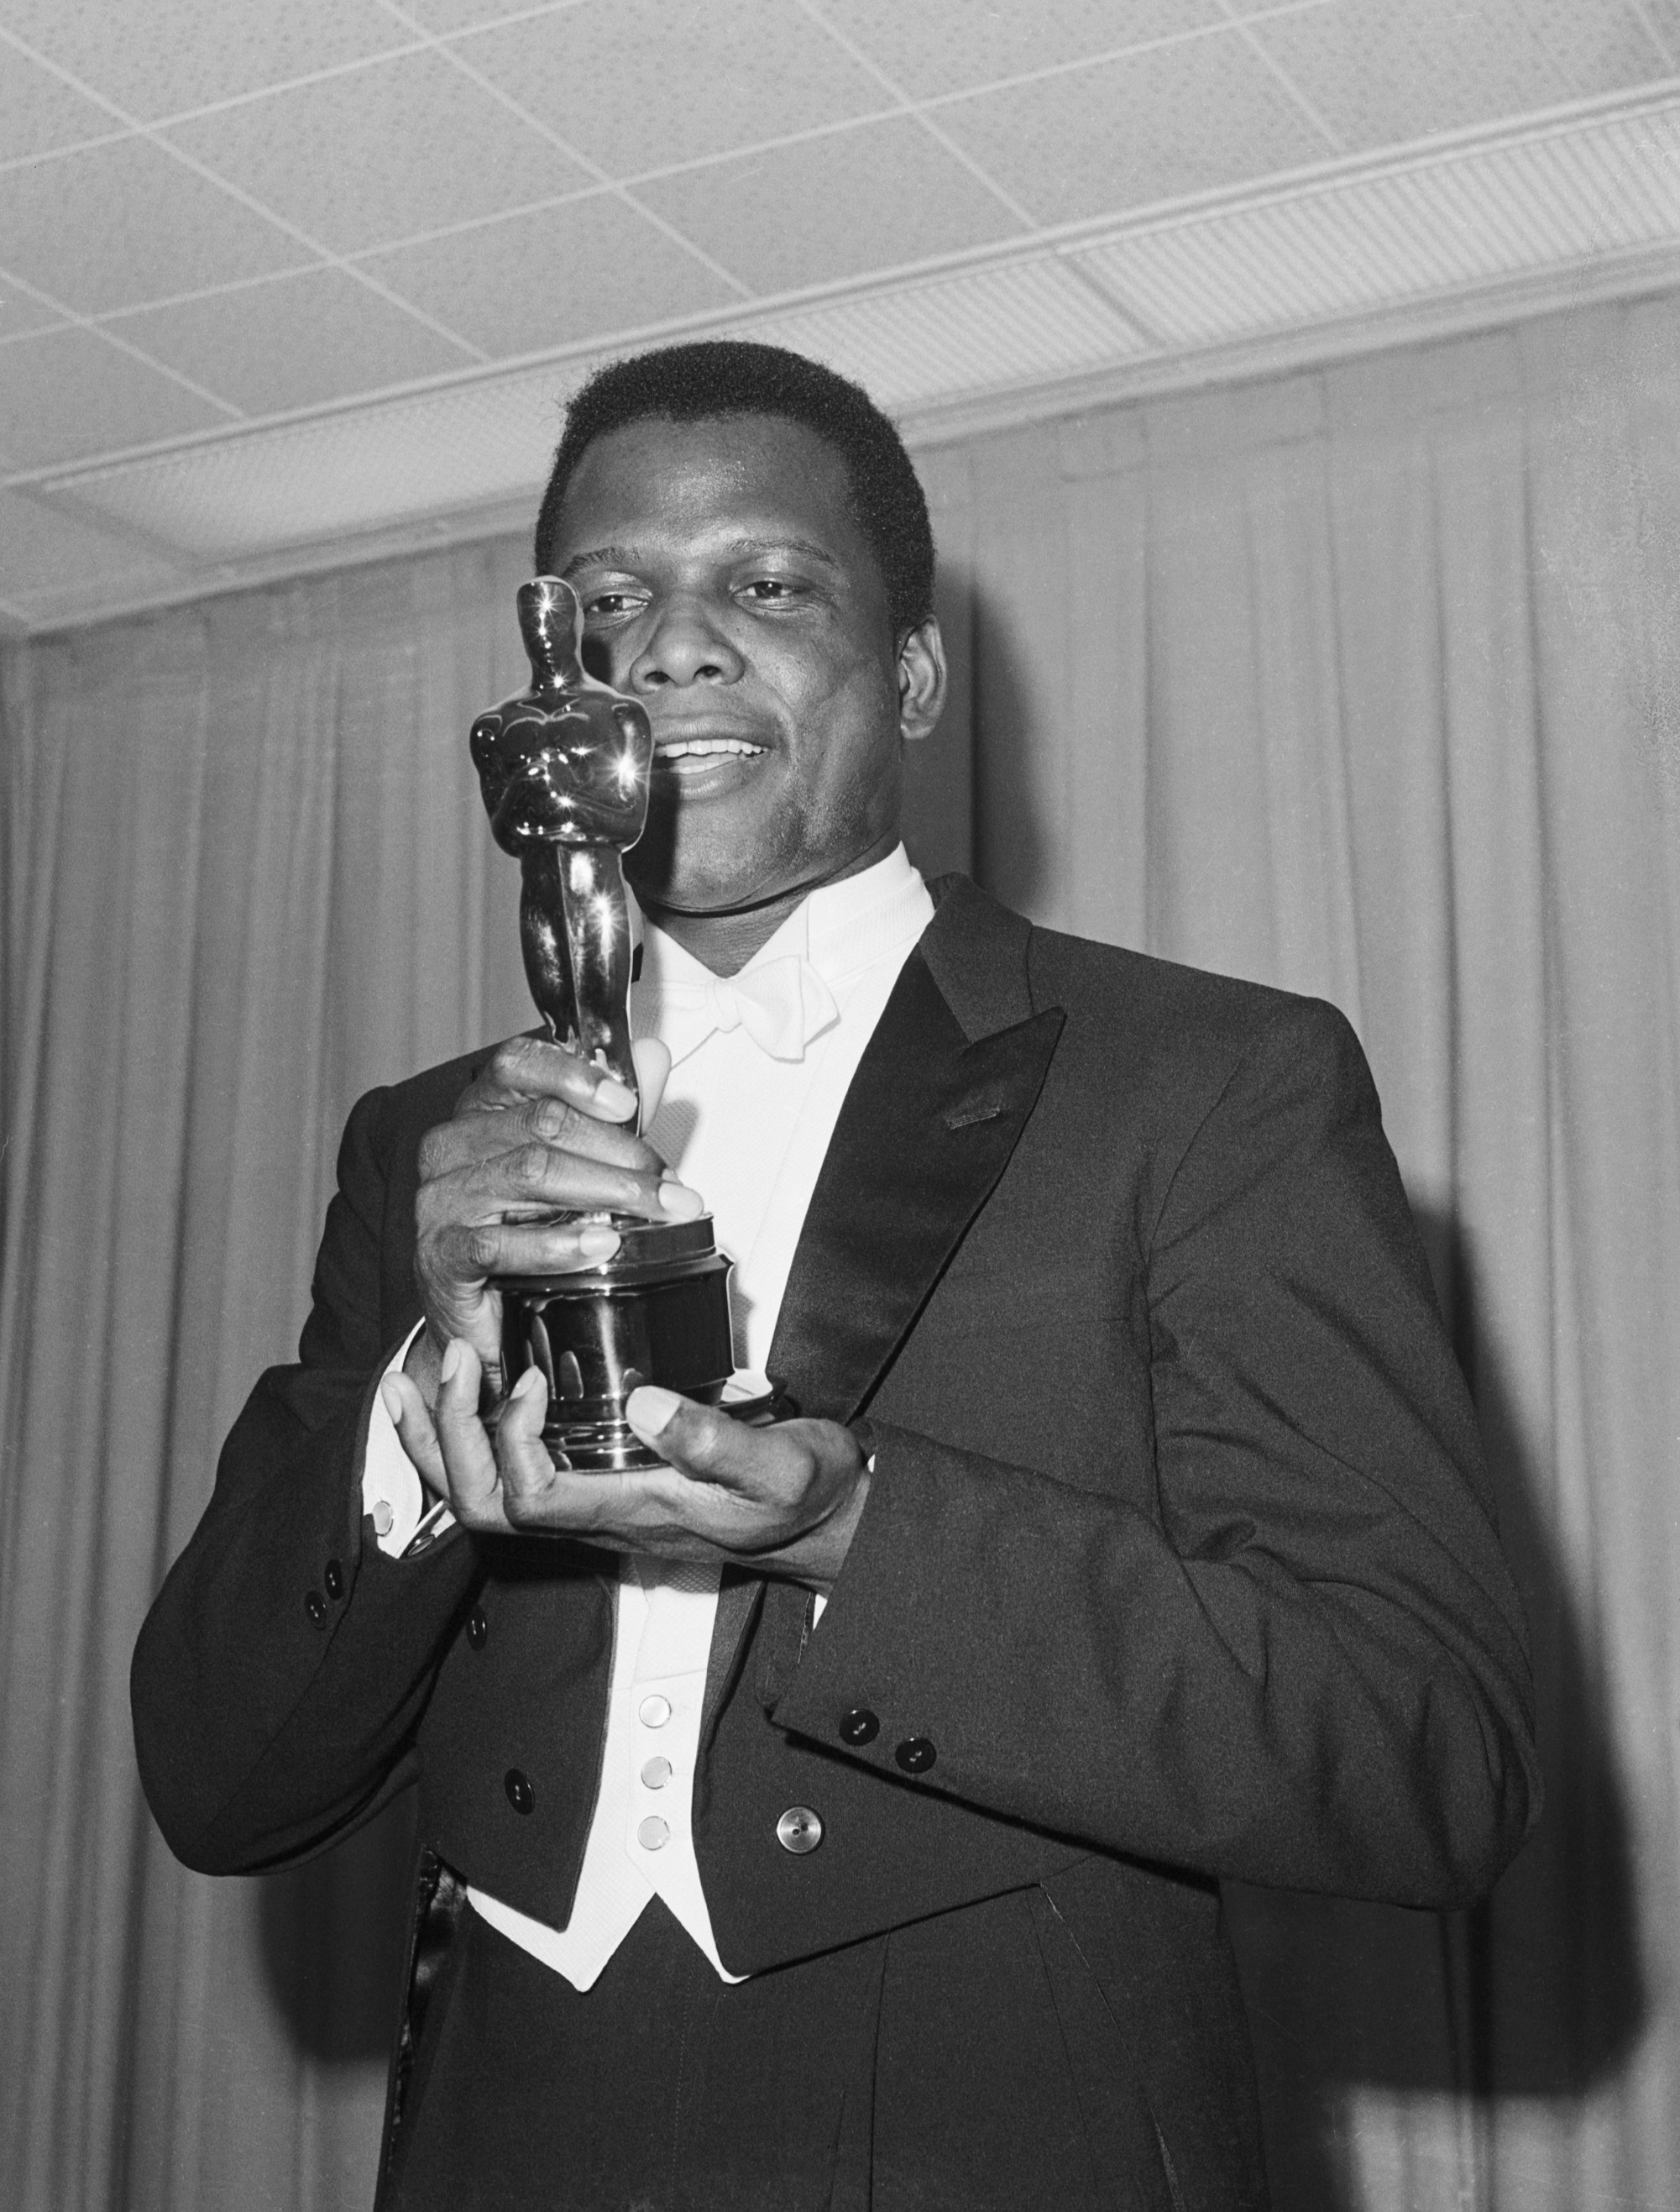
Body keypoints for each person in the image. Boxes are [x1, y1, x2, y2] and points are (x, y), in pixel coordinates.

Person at [132, 341, 1540, 2211]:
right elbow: (219, 1779)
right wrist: (412, 1408)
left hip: (1010, 2136)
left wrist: (853, 1531)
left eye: (767, 586)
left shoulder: (1204, 1083)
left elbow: (1418, 1753)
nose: (671, 647)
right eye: (607, 603)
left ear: (913, 673)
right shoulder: (424, 1146)